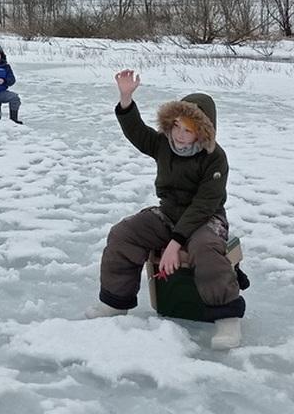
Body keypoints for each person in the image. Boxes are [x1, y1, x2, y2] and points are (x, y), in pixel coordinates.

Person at [86, 69, 245, 350]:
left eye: (189, 130)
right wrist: (125, 99)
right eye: (177, 127)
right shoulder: (163, 144)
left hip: (206, 218)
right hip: (169, 213)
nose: (181, 136)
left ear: (202, 132)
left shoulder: (215, 158)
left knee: (205, 249)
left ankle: (228, 318)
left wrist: (176, 242)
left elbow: (204, 204)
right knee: (124, 234)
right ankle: (115, 303)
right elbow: (136, 131)